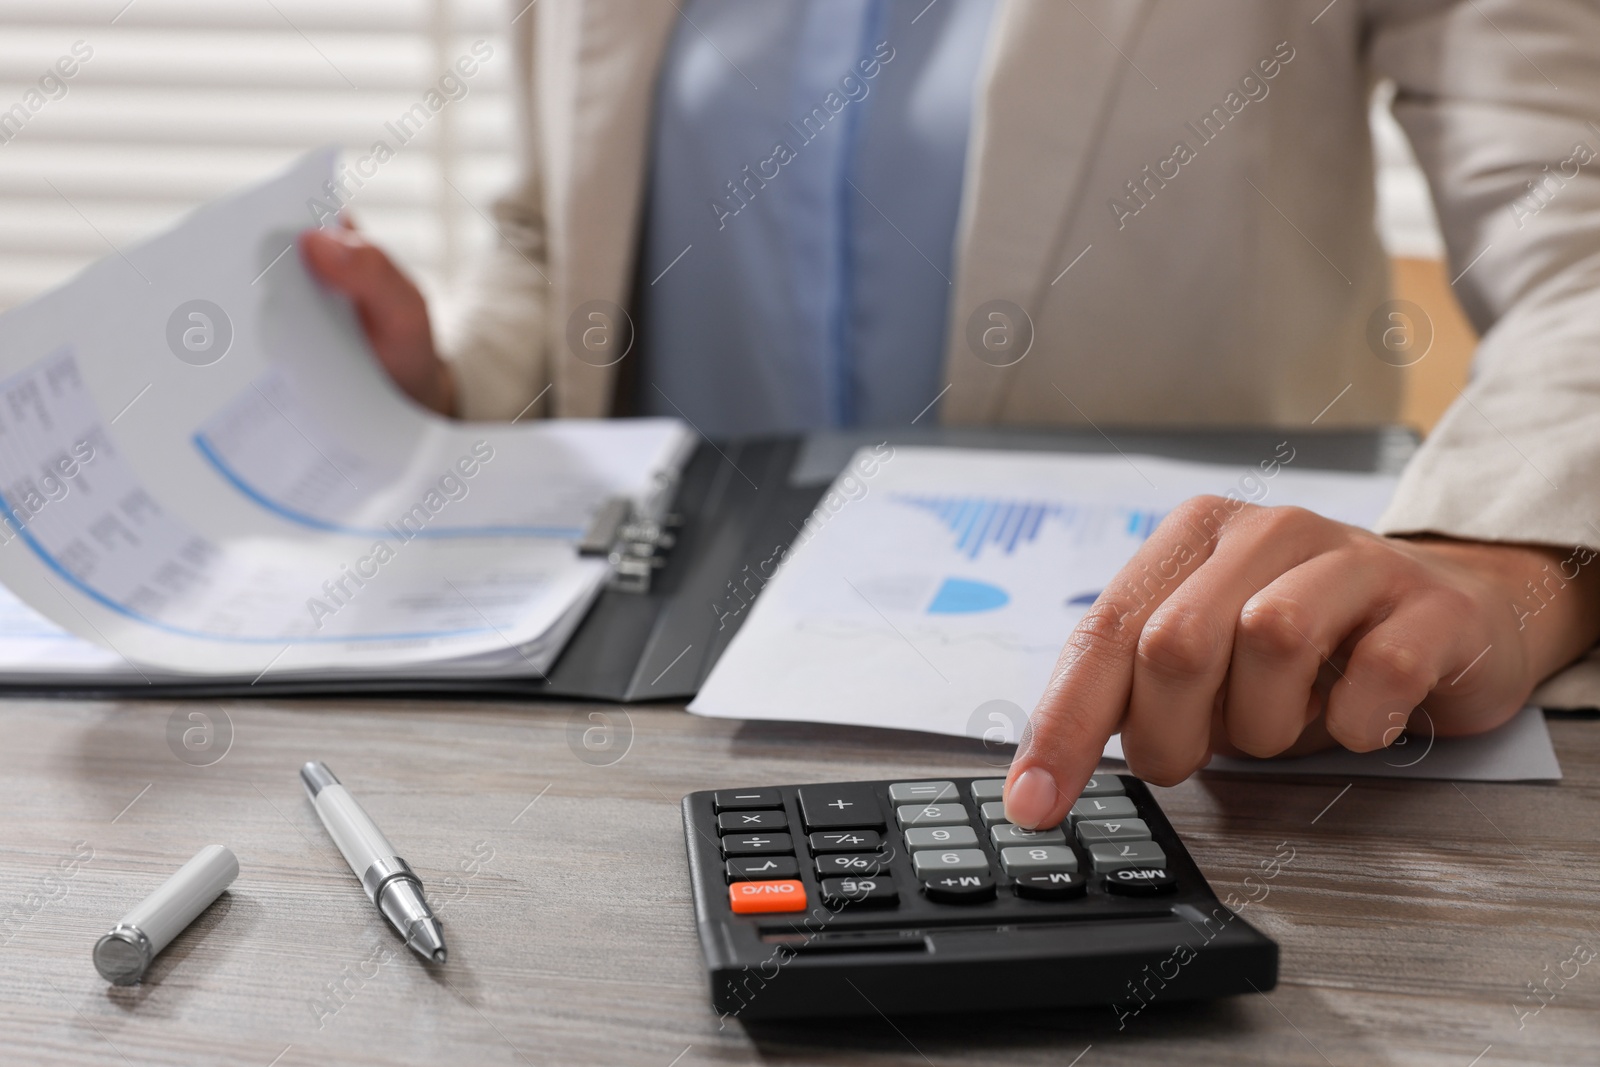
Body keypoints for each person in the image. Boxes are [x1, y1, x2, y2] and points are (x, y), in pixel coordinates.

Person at [297, 0, 1600, 828]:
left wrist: (1508, 552)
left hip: (1176, 723)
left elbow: (1580, 243)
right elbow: (550, 247)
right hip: (628, 729)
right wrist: (450, 389)